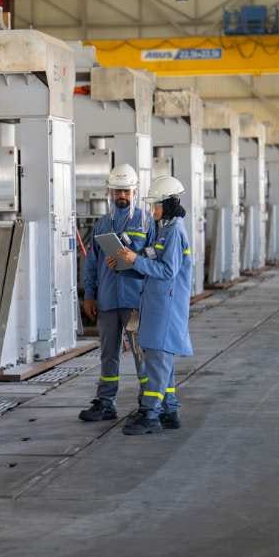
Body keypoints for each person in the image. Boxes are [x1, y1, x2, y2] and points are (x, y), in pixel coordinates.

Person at [110, 175, 193, 435]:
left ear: (167, 204)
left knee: (157, 361)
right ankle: (169, 410)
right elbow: (150, 265)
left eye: (155, 204)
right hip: (156, 303)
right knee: (161, 362)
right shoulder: (163, 228)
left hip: (166, 307)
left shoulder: (175, 232)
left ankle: (150, 414)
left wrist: (134, 258)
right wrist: (125, 265)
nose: (152, 209)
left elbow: (168, 270)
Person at [78, 164, 153, 422]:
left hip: (135, 300)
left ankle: (148, 403)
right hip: (108, 300)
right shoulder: (102, 224)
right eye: (117, 191)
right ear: (109, 192)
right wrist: (89, 294)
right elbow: (91, 263)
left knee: (141, 352)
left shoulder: (146, 222)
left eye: (126, 191)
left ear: (135, 192)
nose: (122, 196)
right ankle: (106, 402)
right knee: (108, 352)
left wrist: (135, 258)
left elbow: (155, 260)